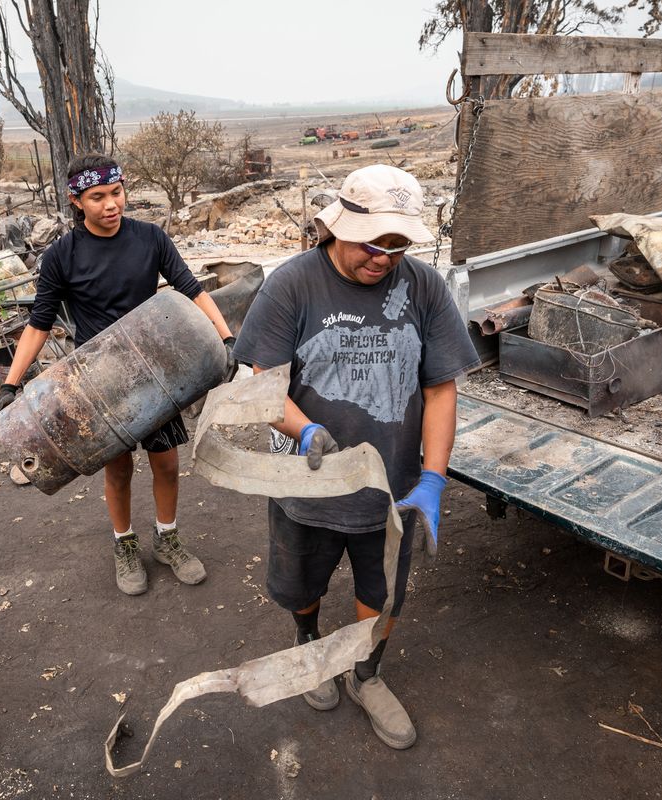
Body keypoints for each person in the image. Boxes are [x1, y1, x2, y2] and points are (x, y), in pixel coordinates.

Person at [233, 164, 480, 749]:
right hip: (306, 486)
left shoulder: (423, 287)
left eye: (398, 247)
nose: (384, 259)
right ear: (338, 226)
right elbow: (261, 383)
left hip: (388, 491)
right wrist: (304, 427)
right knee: (301, 586)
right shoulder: (292, 284)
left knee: (384, 591)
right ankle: (312, 646)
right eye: (374, 245)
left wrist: (434, 480)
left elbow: (440, 388)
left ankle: (366, 673)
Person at [0, 153, 236, 597]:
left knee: (166, 462)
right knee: (118, 469)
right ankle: (125, 545)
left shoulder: (151, 239)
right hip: (95, 384)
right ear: (76, 201)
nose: (110, 205)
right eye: (97, 197)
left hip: (157, 373)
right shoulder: (62, 255)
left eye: (116, 193)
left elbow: (192, 289)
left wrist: (227, 338)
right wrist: (11, 384)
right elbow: (39, 323)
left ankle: (168, 539)